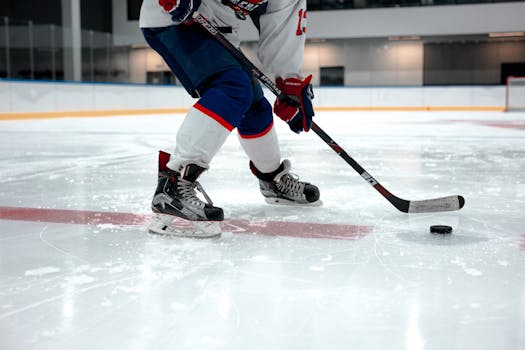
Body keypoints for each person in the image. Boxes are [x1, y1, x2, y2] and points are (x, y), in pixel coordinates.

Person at [140, 0, 320, 237]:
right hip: (174, 19)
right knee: (233, 88)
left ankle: (272, 179)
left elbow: (282, 24)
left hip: (222, 31)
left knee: (255, 106)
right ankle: (172, 187)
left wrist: (289, 82)